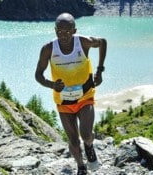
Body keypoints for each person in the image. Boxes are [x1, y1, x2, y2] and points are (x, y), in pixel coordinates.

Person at [35, 13, 107, 175]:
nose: (63, 35)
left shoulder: (83, 42)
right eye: (60, 32)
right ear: (55, 31)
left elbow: (102, 42)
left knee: (86, 134)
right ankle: (81, 167)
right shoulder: (48, 49)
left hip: (85, 95)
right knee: (73, 140)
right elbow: (38, 75)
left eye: (67, 32)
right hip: (63, 101)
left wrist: (100, 70)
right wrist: (52, 84)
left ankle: (89, 146)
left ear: (74, 30)